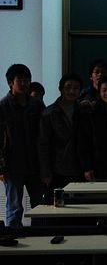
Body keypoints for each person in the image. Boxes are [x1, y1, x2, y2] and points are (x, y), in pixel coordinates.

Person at [0, 64, 44, 227]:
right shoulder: (3, 107)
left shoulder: (36, 105)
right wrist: (1, 168)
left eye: (27, 80)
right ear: (10, 82)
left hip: (35, 164)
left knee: (40, 205)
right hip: (13, 165)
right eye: (20, 80)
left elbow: (44, 135)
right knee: (14, 207)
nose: (24, 83)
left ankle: (39, 238)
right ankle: (13, 239)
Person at [39, 73, 85, 191]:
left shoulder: (84, 111)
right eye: (68, 87)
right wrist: (45, 172)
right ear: (60, 89)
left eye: (76, 88)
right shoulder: (49, 113)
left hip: (80, 168)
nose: (72, 91)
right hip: (57, 169)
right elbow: (43, 144)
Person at [78, 76, 107, 181]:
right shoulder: (91, 112)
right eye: (104, 90)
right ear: (99, 92)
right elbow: (83, 143)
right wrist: (87, 167)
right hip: (96, 164)